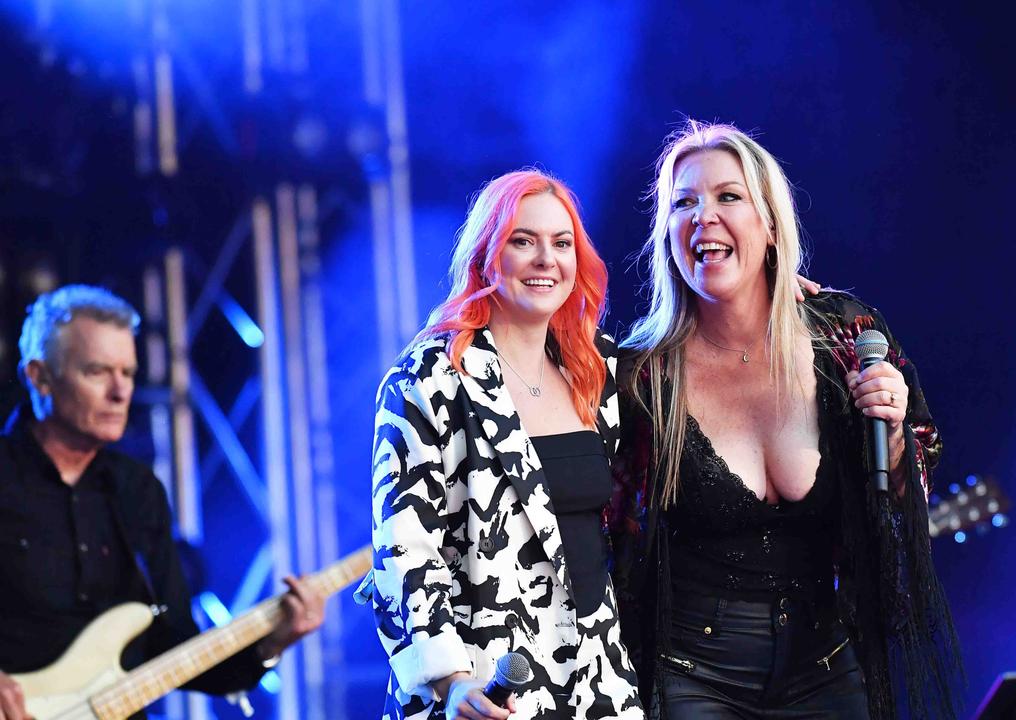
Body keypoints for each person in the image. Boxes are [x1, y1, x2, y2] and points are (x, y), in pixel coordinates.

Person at [610, 121, 965, 719]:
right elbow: (602, 528)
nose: (704, 218)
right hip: (693, 674)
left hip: (825, 663)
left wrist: (897, 432)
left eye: (728, 197)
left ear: (771, 224)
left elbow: (913, 484)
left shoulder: (844, 336)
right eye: (684, 203)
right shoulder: (641, 378)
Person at [360, 169, 642, 720]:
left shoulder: (598, 370)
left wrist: (770, 298)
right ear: (487, 255)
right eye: (523, 240)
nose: (546, 259)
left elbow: (697, 361)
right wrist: (451, 680)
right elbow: (403, 545)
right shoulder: (429, 378)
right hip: (488, 684)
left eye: (561, 243)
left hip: (598, 680)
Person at [0, 284, 325, 720]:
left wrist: (270, 645)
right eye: (97, 372)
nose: (120, 393)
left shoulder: (137, 490)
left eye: (128, 373)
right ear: (38, 376)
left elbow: (174, 646)